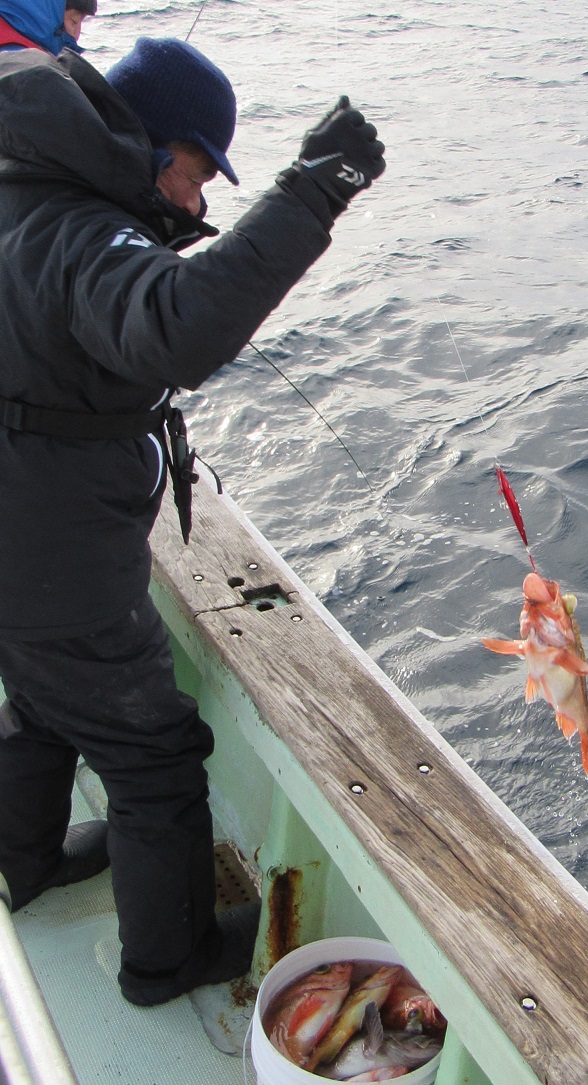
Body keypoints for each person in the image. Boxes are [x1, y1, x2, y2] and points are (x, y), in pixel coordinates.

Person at [0, 1, 385, 1007]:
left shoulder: (22, 187)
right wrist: (317, 188)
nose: (199, 193)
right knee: (152, 749)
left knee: (39, 704)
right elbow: (176, 329)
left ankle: (25, 862)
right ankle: (165, 961)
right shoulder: (83, 230)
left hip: (17, 537)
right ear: (159, 148)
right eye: (201, 171)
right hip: (48, 556)